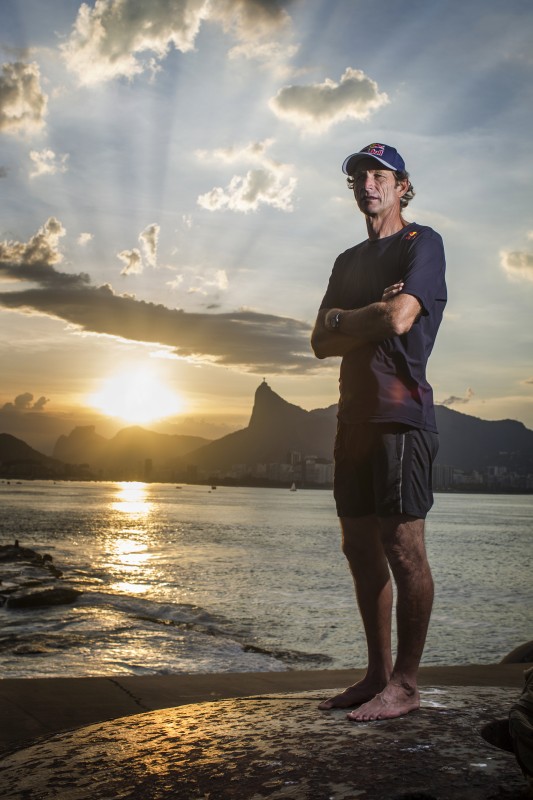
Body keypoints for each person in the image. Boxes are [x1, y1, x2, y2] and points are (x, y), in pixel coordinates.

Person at [311, 142, 447, 722]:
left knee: (402, 548)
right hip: (353, 421)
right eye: (360, 175)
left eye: (380, 174)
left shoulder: (424, 244)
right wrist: (358, 314)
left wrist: (352, 318)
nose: (368, 182)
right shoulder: (347, 261)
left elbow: (398, 319)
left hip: (400, 417)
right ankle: (375, 674)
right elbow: (320, 340)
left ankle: (407, 684)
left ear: (401, 186)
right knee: (358, 547)